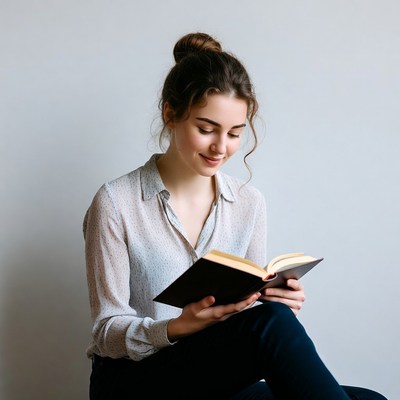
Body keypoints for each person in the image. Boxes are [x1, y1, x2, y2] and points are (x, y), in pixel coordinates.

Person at [83, 32, 387, 400]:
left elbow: (249, 315)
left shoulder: (248, 203)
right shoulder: (116, 202)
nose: (220, 147)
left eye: (234, 133)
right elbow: (105, 330)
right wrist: (177, 327)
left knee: (369, 398)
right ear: (170, 114)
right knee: (272, 327)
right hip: (135, 381)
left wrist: (274, 298)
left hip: (209, 375)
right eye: (206, 129)